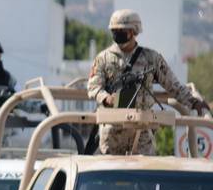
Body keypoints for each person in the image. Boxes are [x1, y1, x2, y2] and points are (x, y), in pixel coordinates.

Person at [87, 9, 209, 155]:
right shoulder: (103, 58)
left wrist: (194, 102)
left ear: (133, 32)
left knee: (144, 174)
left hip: (142, 130)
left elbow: (173, 85)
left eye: (121, 30)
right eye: (114, 30)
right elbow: (93, 87)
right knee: (112, 174)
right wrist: (106, 98)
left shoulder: (151, 59)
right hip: (113, 131)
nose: (116, 34)